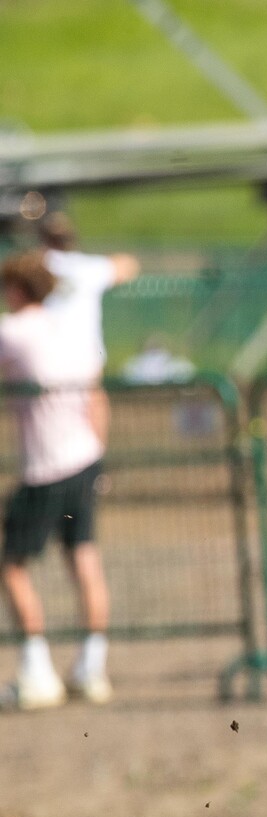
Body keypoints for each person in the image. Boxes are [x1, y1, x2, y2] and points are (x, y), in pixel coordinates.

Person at [0, 252, 111, 709]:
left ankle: (37, 671)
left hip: (46, 466)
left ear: (16, 290)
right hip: (86, 456)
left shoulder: (13, 331)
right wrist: (100, 459)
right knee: (83, 557)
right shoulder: (69, 330)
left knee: (12, 564)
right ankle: (92, 667)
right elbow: (97, 399)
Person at [35, 213, 137, 449]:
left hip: (50, 350)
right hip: (85, 351)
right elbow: (127, 265)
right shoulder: (87, 267)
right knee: (93, 403)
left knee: (49, 408)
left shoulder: (36, 266)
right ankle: (93, 463)